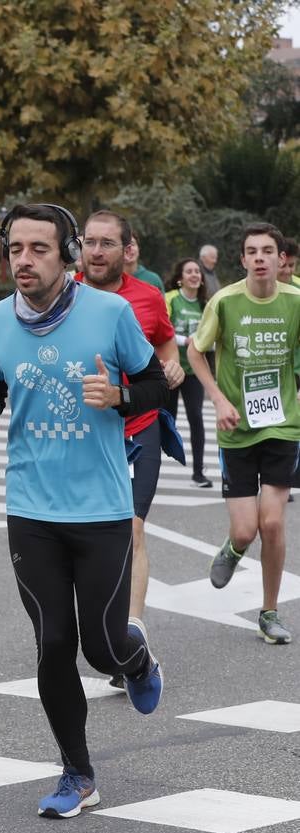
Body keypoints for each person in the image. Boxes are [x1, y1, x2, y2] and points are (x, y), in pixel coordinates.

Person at [0, 202, 166, 818]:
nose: (24, 260)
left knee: (102, 647)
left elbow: (155, 382)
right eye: (15, 249)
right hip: (31, 508)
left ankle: (137, 658)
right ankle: (77, 773)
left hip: (101, 508)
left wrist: (122, 395)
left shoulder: (110, 312)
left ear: (67, 253)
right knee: (53, 643)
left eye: (38, 249)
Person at [77, 211, 183, 685]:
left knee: (132, 529)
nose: (97, 252)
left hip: (138, 428)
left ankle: (130, 633)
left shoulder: (148, 296)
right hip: (85, 435)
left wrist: (172, 367)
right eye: (90, 243)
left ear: (127, 249)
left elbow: (165, 347)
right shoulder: (64, 294)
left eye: (107, 243)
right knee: (94, 536)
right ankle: (100, 622)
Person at [189, 222, 299, 645]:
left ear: (280, 259)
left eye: (267, 250)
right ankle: (233, 549)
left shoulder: (295, 301)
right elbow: (196, 351)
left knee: (272, 523)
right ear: (242, 260)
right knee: (245, 530)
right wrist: (217, 399)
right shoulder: (225, 301)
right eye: (251, 251)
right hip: (236, 429)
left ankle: (270, 613)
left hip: (282, 424)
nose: (259, 258)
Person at [165, 258, 212, 488]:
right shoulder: (171, 298)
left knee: (196, 417)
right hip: (171, 368)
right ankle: (152, 467)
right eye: (189, 271)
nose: (194, 275)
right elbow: (161, 331)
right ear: (180, 278)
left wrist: (205, 344)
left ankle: (198, 473)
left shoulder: (206, 305)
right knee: (167, 419)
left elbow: (213, 336)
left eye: (197, 271)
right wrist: (186, 340)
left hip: (193, 371)